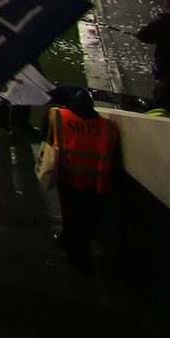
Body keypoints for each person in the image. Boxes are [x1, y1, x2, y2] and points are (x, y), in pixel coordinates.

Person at [46, 85, 118, 270]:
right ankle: (75, 247)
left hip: (69, 177)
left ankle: (74, 251)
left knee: (71, 215)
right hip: (98, 182)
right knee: (87, 220)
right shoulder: (108, 126)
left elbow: (47, 135)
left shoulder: (59, 116)